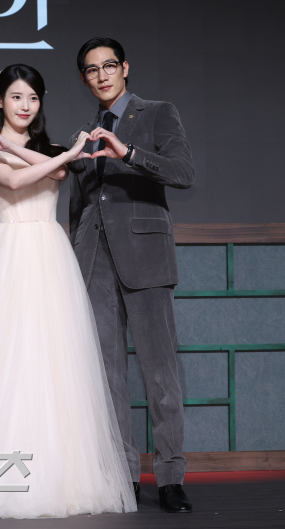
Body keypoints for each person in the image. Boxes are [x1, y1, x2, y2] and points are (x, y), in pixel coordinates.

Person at [0, 64, 137, 518]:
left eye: (32, 98)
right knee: (6, 365)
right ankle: (1, 475)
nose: (25, 106)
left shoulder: (47, 151)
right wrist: (53, 153)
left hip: (51, 257)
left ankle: (62, 477)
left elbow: (58, 176)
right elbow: (14, 182)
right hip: (8, 258)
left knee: (56, 366)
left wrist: (44, 152)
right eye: (16, 97)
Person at [67, 37, 195, 513]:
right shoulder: (85, 132)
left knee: (160, 373)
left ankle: (170, 476)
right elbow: (79, 205)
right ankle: (124, 476)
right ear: (84, 78)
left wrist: (129, 153)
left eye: (108, 66)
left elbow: (183, 172)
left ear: (124, 68)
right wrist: (75, 256)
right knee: (108, 376)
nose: (101, 75)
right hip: (95, 261)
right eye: (91, 69)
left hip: (146, 255)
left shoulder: (157, 113)